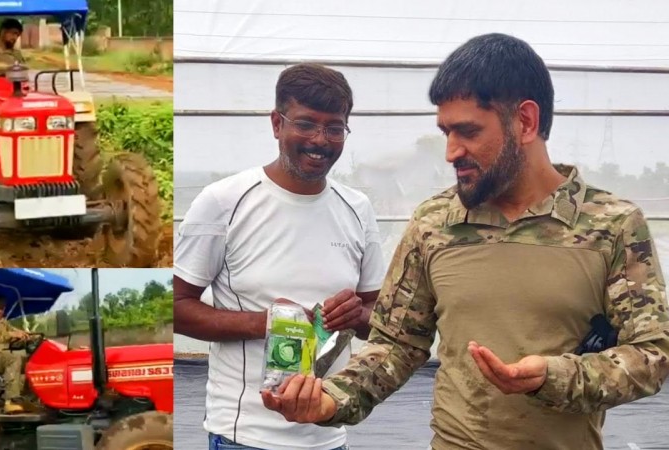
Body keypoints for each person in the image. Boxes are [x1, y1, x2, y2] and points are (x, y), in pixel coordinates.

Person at [261, 33, 669, 450]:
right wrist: (331, 399)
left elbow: (652, 355)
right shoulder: (435, 223)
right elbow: (396, 344)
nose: (451, 152)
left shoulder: (612, 225)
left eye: (468, 131)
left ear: (525, 122)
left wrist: (555, 376)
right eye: (446, 132)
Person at [174, 63, 387, 450]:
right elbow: (174, 306)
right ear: (277, 124)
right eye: (305, 124)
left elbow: (379, 318)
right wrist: (269, 323)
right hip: (247, 437)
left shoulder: (357, 209)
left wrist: (356, 316)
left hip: (329, 434)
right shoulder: (225, 202)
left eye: (334, 128)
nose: (320, 140)